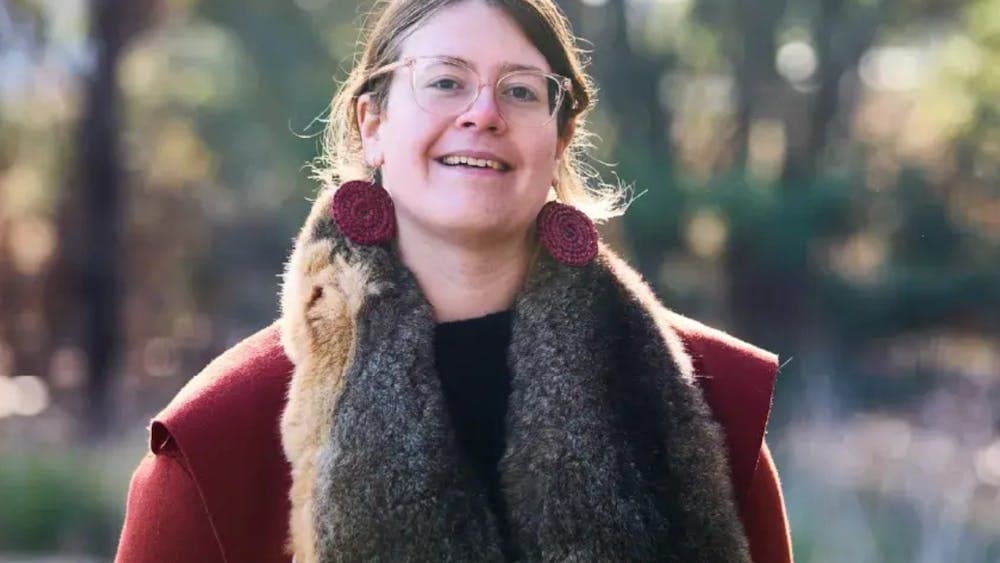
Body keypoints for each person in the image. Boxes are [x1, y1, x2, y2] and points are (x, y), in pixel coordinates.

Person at [115, 0, 793, 561]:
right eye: (445, 81)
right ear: (372, 123)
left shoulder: (710, 411)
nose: (484, 113)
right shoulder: (219, 444)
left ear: (558, 141)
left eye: (521, 90)